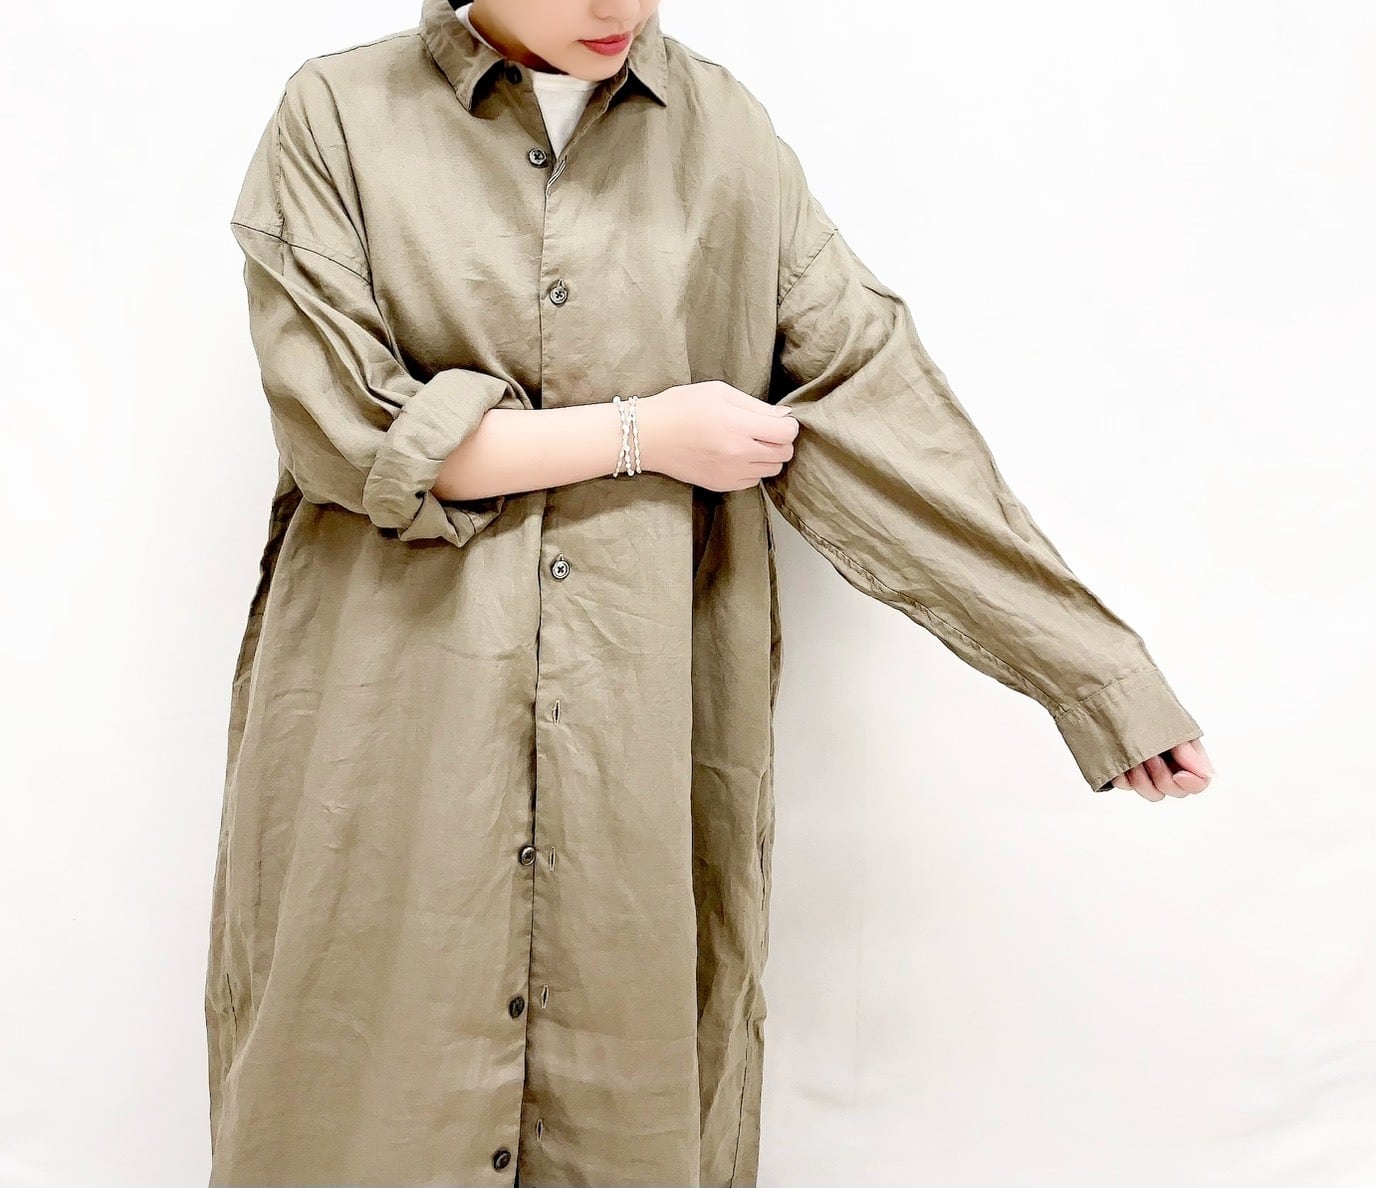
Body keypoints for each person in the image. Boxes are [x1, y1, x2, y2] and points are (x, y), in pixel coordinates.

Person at [204, 1, 1215, 1184]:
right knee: (362, 1095)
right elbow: (349, 429)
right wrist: (644, 433)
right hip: (395, 727)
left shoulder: (722, 134)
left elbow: (873, 407)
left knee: (627, 1093)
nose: (620, 9)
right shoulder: (338, 116)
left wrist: (1092, 675)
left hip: (643, 730)